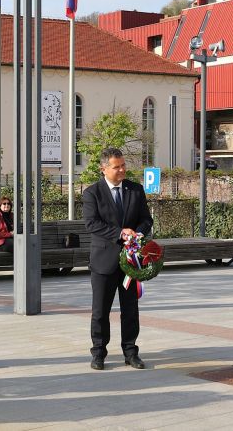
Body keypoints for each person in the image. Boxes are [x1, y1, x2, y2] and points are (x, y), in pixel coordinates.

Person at [82, 147, 152, 371]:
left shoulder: (135, 190)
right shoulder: (93, 193)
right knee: (100, 310)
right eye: (116, 166)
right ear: (104, 169)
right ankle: (99, 352)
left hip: (130, 263)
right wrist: (121, 234)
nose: (122, 170)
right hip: (104, 261)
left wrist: (137, 233)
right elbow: (92, 224)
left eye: (123, 165)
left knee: (130, 309)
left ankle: (131, 351)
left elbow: (146, 220)